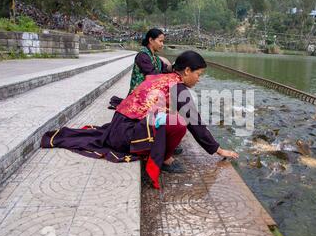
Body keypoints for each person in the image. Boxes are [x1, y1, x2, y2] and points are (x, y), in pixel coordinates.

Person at [41, 51, 239, 189]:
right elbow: (195, 122)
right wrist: (217, 149)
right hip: (125, 137)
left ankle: (163, 148)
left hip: (117, 127)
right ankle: (165, 159)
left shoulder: (162, 77)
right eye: (198, 74)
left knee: (170, 118)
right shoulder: (178, 88)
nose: (199, 79)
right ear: (187, 71)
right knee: (179, 122)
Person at [128, 28, 172, 94]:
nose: (162, 44)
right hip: (138, 95)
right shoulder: (142, 56)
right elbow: (153, 75)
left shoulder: (155, 57)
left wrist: (175, 67)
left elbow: (164, 68)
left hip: (148, 92)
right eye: (160, 41)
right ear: (151, 40)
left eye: (163, 42)